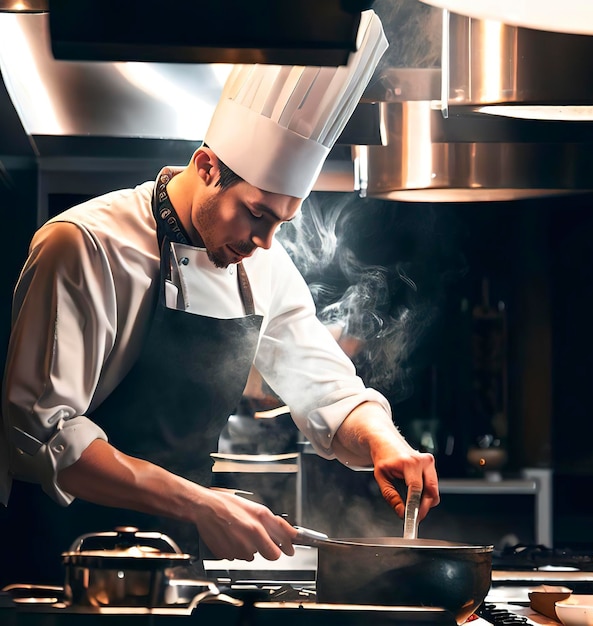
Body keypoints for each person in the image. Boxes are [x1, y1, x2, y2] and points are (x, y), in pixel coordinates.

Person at [0, 10, 439, 585]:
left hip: (178, 574)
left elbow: (328, 391)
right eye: (256, 214)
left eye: (282, 222)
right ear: (207, 166)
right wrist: (203, 503)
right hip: (63, 569)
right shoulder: (83, 247)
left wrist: (385, 441)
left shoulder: (264, 264)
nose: (264, 241)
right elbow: (38, 434)